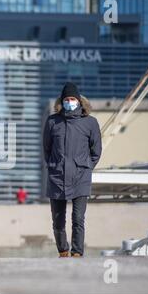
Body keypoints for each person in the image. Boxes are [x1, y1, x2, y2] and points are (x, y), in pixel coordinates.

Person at [43, 82, 102, 258]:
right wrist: (54, 165)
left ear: (79, 101)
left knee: (78, 218)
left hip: (80, 177)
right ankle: (63, 251)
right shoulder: (53, 121)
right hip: (57, 176)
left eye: (73, 99)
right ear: (62, 101)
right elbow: (47, 148)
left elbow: (96, 151)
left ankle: (77, 252)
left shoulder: (90, 122)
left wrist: (86, 167)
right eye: (67, 99)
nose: (70, 102)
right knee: (58, 220)